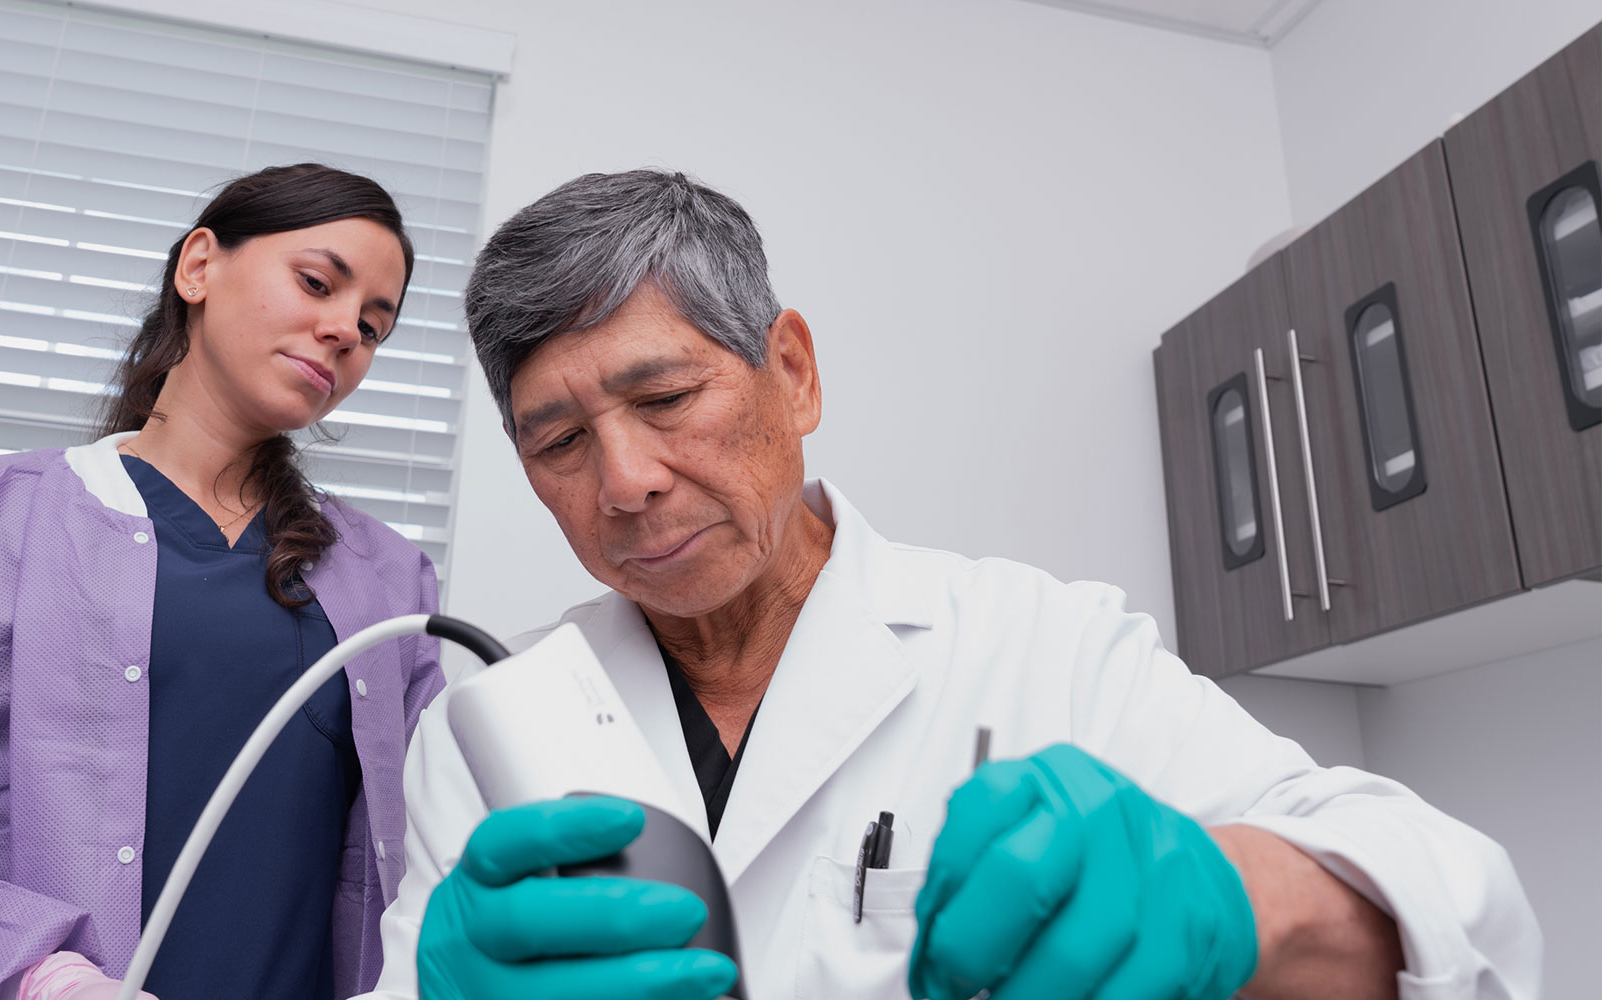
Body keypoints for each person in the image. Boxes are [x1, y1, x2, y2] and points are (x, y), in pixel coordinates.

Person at [358, 170, 1542, 1000]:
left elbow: (1468, 920)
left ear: (792, 372)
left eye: (664, 400)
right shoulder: (488, 731)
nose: (622, 481)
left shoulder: (1039, 642)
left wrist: (1239, 898)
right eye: (558, 442)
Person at [0, 163, 444, 1000]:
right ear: (199, 267)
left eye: (374, 326)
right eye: (316, 282)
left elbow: (431, 859)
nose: (343, 331)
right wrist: (39, 979)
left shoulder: (390, 582)